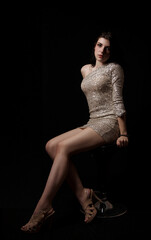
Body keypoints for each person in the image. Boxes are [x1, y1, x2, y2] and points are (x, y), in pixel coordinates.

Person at [21, 31, 128, 233]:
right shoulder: (85, 70)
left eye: (107, 48)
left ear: (111, 52)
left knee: (62, 147)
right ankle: (83, 194)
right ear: (94, 46)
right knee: (51, 145)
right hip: (93, 121)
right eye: (99, 45)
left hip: (109, 123)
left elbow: (117, 100)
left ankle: (43, 207)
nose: (102, 50)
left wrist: (123, 133)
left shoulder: (115, 68)